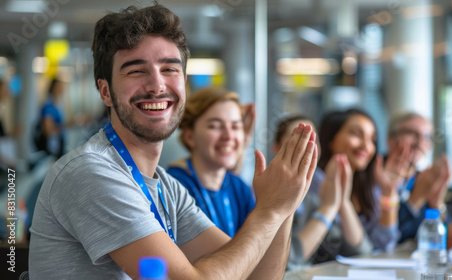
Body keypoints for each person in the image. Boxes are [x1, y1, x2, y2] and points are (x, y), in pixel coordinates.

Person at [29, 4, 318, 279]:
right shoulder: (91, 172)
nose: (157, 85)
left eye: (169, 69)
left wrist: (285, 203)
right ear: (105, 92)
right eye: (136, 70)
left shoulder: (166, 187)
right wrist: (269, 211)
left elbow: (255, 276)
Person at [285, 110, 412, 267]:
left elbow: (382, 246)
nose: (366, 146)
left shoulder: (367, 186)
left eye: (372, 139)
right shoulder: (313, 183)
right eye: (356, 134)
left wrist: (389, 193)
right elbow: (291, 257)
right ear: (331, 139)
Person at [167, 87, 255, 237]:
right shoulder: (175, 186)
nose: (229, 136)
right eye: (215, 126)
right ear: (190, 137)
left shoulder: (238, 187)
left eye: (235, 126)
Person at [386, 112, 452, 248]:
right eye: (411, 133)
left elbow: (437, 235)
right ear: (391, 139)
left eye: (427, 137)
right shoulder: (373, 176)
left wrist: (437, 203)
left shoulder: (422, 178)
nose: (420, 142)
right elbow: (388, 238)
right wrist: (416, 200)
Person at [34, 78, 66, 158]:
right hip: (50, 146)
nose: (61, 89)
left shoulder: (58, 105)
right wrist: (64, 126)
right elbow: (48, 130)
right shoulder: (48, 105)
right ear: (53, 88)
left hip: (58, 144)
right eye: (59, 86)